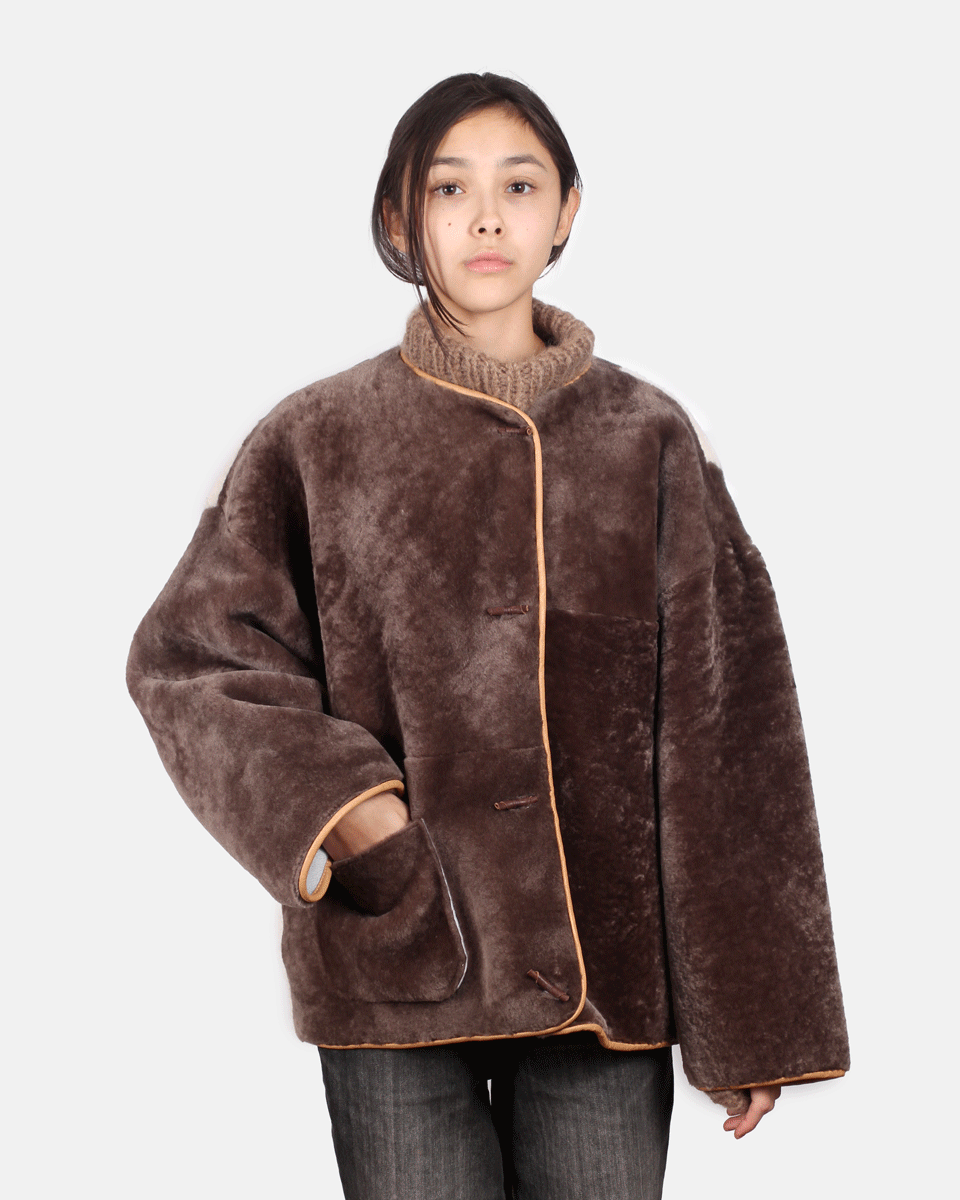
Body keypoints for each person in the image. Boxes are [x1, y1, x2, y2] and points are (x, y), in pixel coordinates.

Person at [127, 72, 849, 1200]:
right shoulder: (315, 437)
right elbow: (193, 659)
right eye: (448, 188)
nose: (485, 218)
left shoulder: (648, 437)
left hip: (604, 976)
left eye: (520, 186)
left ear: (566, 213)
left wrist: (750, 1012)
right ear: (397, 217)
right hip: (398, 957)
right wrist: (354, 816)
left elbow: (727, 729)